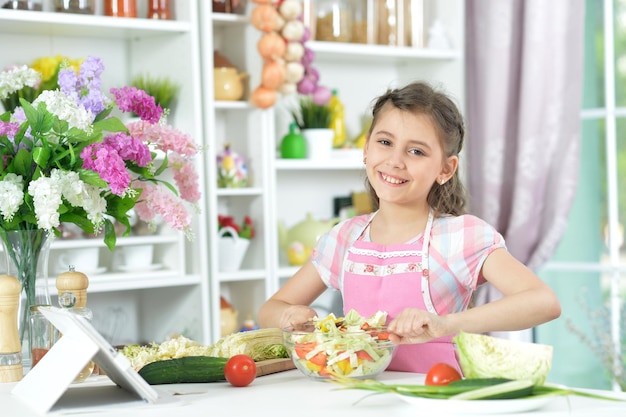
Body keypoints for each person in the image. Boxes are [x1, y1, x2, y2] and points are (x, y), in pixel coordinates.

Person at [258, 81, 561, 373]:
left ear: (446, 169)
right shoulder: (345, 237)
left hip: (435, 399)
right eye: (385, 142)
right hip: (358, 397)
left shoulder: (460, 237)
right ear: (366, 149)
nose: (395, 161)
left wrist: (446, 324)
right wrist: (288, 314)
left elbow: (543, 302)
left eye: (416, 151)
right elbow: (271, 308)